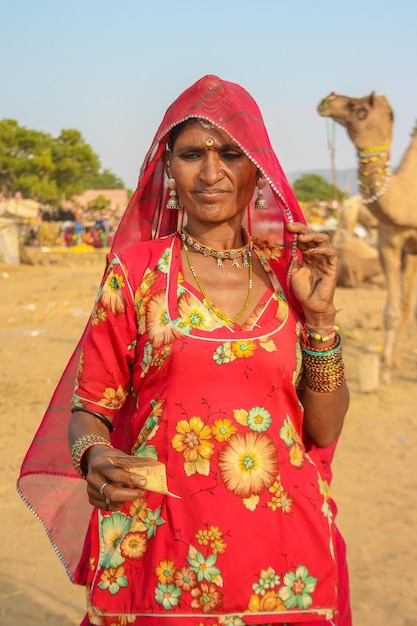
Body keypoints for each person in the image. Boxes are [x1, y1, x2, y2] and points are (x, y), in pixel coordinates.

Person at [18, 75, 350, 626]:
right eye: (192, 154)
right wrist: (93, 456)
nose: (212, 172)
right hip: (161, 554)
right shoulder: (137, 273)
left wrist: (319, 318)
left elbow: (324, 431)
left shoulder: (290, 276)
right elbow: (89, 411)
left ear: (257, 171)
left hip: (284, 562)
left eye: (231, 154)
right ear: (169, 169)